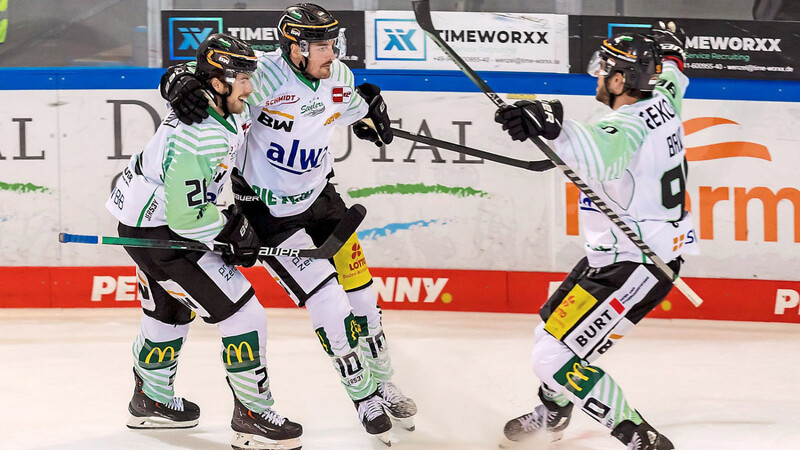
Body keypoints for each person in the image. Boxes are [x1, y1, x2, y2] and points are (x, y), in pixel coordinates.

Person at [159, 3, 415, 444]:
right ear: (295, 48)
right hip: (268, 213)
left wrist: (372, 114)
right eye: (322, 46)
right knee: (329, 299)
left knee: (364, 295)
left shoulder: (338, 76)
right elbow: (204, 80)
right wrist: (177, 82)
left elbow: (354, 108)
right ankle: (363, 396)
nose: (332, 53)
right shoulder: (263, 77)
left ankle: (383, 382)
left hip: (323, 201)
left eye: (333, 44)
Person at [493, 22, 697, 450]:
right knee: (552, 335)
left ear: (621, 80)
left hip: (637, 266)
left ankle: (641, 437)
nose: (599, 72)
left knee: (554, 357)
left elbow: (601, 153)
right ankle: (556, 410)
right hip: (615, 258)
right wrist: (673, 51)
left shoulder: (628, 126)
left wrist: (550, 125)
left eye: (605, 66)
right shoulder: (664, 98)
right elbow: (675, 71)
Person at [106, 33, 303, 450]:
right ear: (217, 83)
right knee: (245, 316)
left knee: (168, 310)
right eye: (242, 79)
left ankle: (152, 401)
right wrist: (232, 230)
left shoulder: (222, 99)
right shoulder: (200, 134)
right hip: (163, 235)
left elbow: (278, 70)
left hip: (144, 225)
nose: (250, 87)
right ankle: (251, 415)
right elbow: (187, 217)